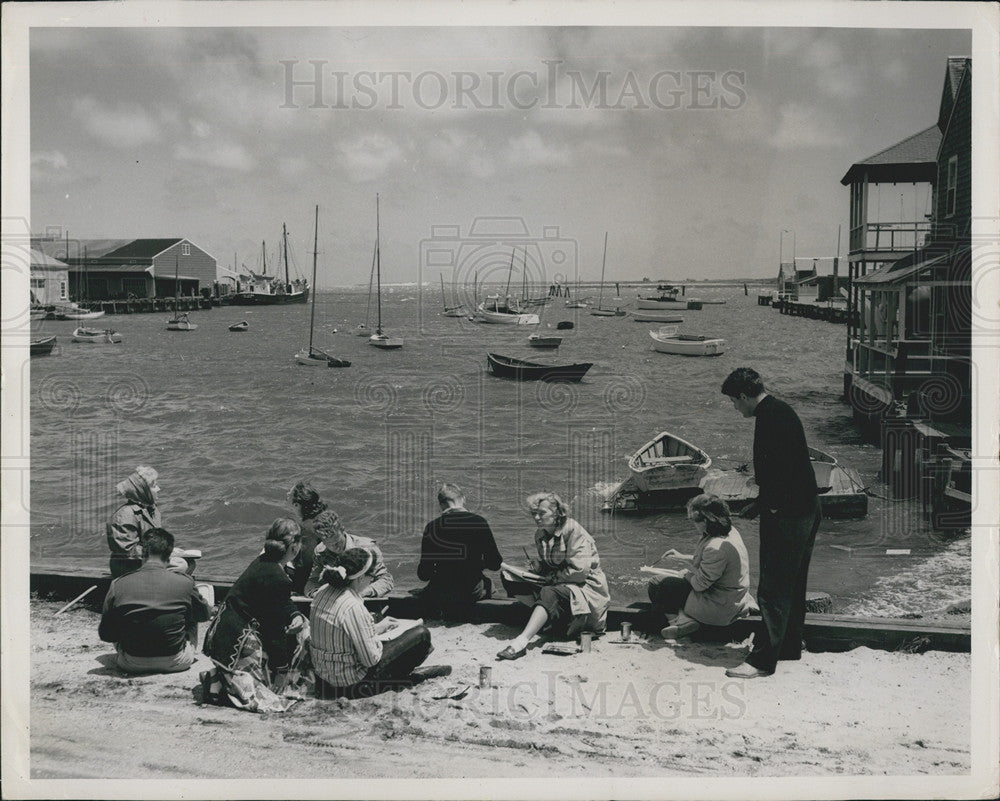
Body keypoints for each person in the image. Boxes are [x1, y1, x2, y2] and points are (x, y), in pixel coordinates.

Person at [721, 366, 822, 679]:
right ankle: (789, 646)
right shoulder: (781, 410)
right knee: (794, 582)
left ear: (743, 396)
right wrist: (762, 503)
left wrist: (769, 508)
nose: (734, 408)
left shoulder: (768, 418)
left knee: (773, 587)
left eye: (734, 402)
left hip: (788, 512)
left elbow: (777, 473)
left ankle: (762, 661)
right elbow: (788, 466)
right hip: (807, 507)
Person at [201, 519, 309, 711]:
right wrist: (282, 670)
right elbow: (274, 629)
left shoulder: (263, 562)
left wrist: (294, 614)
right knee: (267, 697)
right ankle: (226, 683)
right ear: (294, 547)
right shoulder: (277, 576)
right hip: (241, 641)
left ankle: (220, 679)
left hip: (223, 638)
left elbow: (281, 602)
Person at [496, 492, 611, 660]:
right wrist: (539, 567)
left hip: (585, 589)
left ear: (557, 513)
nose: (536, 517)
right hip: (562, 585)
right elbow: (552, 566)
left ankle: (521, 642)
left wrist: (550, 578)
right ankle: (549, 620)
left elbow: (579, 572)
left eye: (541, 513)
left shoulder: (573, 530)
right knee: (509, 578)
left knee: (549, 592)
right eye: (534, 513)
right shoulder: (540, 535)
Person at [310, 547, 435, 699]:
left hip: (324, 681)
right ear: (361, 578)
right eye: (372, 576)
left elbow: (339, 633)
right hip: (350, 686)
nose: (372, 580)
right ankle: (401, 678)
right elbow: (370, 660)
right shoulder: (352, 606)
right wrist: (377, 639)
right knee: (422, 635)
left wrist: (376, 628)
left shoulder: (322, 591)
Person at [99, 527, 211, 674]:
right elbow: (204, 616)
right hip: (176, 661)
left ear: (143, 553)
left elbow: (106, 634)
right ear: (169, 556)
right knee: (199, 600)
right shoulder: (185, 582)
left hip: (131, 663)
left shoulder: (118, 584)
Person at [646, 493, 754, 639]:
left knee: (657, 584)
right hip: (732, 596)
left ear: (707, 520)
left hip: (720, 605)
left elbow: (699, 585)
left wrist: (686, 574)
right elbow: (712, 564)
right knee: (674, 584)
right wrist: (681, 556)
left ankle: (681, 622)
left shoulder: (715, 547)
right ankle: (684, 618)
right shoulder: (730, 532)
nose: (693, 524)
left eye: (694, 520)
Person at [416, 483, 503, 612]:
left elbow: (423, 574)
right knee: (490, 586)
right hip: (471, 593)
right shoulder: (479, 522)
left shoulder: (431, 527)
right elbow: (495, 564)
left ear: (441, 504)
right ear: (463, 499)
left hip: (441, 593)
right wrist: (477, 564)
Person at [303, 509, 394, 598]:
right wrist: (316, 593)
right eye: (329, 544)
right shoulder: (320, 551)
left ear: (343, 530)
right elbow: (313, 580)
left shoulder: (367, 548)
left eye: (338, 542)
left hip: (364, 600)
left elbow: (386, 580)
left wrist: (364, 592)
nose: (336, 547)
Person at [106, 466, 162, 577]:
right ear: (143, 491)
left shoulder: (152, 510)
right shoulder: (124, 515)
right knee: (181, 566)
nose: (158, 489)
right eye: (154, 486)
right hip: (128, 567)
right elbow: (128, 552)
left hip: (147, 561)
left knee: (186, 563)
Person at [286, 480, 328, 594]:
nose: (287, 494)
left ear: (296, 505)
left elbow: (306, 564)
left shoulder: (307, 529)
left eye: (289, 494)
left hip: (310, 583)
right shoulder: (322, 520)